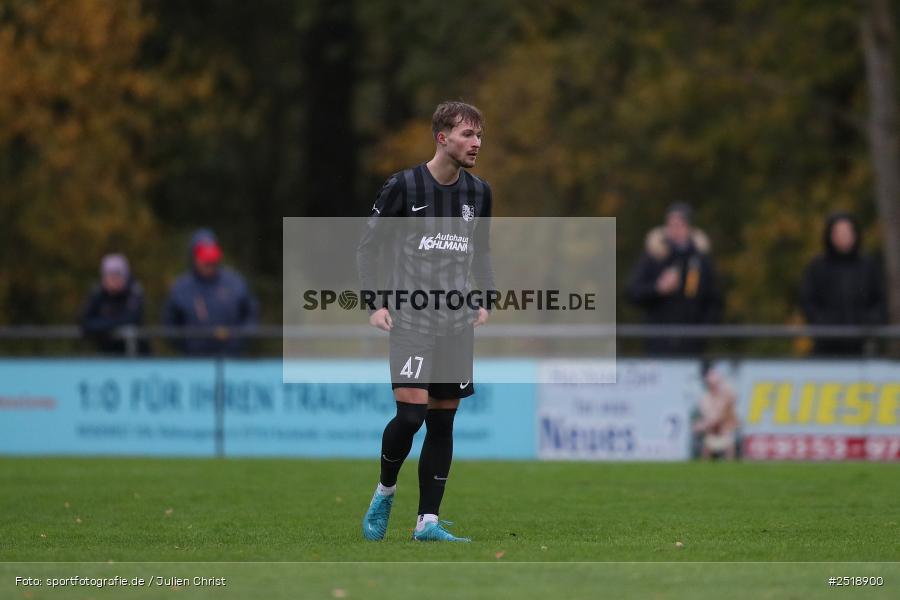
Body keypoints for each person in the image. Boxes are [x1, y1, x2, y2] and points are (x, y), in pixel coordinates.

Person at [357, 101, 494, 543]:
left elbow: (483, 249)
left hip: (455, 322)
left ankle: (427, 523)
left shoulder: (479, 192)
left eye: (479, 136)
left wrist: (486, 296)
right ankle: (385, 490)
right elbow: (368, 247)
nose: (476, 143)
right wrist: (374, 303)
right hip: (411, 318)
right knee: (411, 416)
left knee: (442, 422)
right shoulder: (404, 185)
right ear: (442, 137)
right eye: (468, 135)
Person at [626, 203, 723, 355]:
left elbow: (714, 301)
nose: (674, 230)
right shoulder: (653, 258)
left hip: (692, 347)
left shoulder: (700, 260)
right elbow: (632, 293)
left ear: (689, 227)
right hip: (657, 345)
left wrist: (701, 333)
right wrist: (657, 289)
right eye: (670, 225)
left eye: (679, 225)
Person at [800, 211, 886, 355]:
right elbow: (808, 302)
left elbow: (880, 301)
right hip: (825, 347)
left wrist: (869, 322)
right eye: (839, 232)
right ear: (830, 235)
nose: (844, 236)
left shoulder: (868, 267)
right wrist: (824, 324)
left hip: (862, 347)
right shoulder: (817, 267)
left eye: (847, 232)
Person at [162, 228, 259, 356]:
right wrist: (188, 346)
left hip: (233, 359)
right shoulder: (181, 287)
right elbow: (170, 324)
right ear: (194, 258)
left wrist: (240, 340)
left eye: (212, 260)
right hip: (193, 361)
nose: (210, 264)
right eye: (205, 261)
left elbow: (251, 314)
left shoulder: (235, 282)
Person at [79, 254, 147, 355]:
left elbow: (132, 319)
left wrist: (103, 325)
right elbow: (84, 321)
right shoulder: (97, 293)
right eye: (109, 275)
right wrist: (112, 324)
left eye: (117, 275)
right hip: (105, 354)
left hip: (135, 354)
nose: (113, 279)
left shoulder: (134, 292)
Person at [692, 364, 739, 460]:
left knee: (730, 444)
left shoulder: (726, 396)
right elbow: (709, 417)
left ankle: (730, 470)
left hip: (725, 432)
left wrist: (705, 424)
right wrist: (704, 425)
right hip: (711, 433)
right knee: (706, 446)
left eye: (716, 384)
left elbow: (728, 411)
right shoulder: (705, 399)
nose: (715, 386)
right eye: (712, 384)